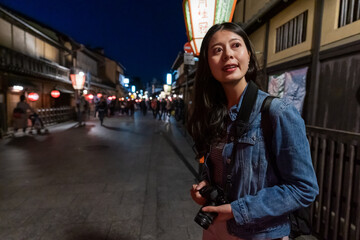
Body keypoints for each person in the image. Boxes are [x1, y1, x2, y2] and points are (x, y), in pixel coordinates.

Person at [188, 22, 319, 240]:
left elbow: (304, 188)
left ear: (248, 55)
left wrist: (237, 210)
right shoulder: (214, 115)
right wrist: (206, 186)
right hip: (214, 228)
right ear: (208, 64)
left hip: (258, 234)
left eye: (235, 45)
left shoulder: (277, 112)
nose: (228, 54)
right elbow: (221, 169)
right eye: (217, 50)